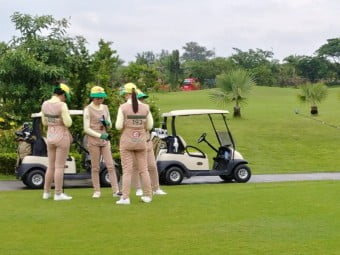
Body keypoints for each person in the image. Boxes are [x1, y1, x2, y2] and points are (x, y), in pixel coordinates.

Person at [115, 83, 153, 205]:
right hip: (141, 141)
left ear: (127, 94)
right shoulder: (146, 107)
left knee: (127, 170)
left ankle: (125, 197)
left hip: (127, 141)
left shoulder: (123, 107)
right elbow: (150, 125)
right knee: (144, 169)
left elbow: (118, 126)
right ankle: (148, 195)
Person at [83, 86, 121, 198]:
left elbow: (109, 122)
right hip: (93, 139)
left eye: (101, 98)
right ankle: (97, 190)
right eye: (98, 98)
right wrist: (100, 135)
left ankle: (116, 190)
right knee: (95, 167)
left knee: (110, 165)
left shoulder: (105, 107)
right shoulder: (88, 109)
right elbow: (86, 128)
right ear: (93, 98)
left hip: (105, 140)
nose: (100, 100)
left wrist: (107, 124)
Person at [41, 83, 73, 201]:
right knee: (59, 166)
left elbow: (44, 122)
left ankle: (46, 192)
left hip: (50, 135)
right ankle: (58, 193)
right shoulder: (62, 105)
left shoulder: (44, 104)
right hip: (61, 136)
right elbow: (68, 123)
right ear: (63, 94)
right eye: (66, 96)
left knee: (51, 165)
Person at [132, 89, 167, 196]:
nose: (142, 101)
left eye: (142, 99)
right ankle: (138, 188)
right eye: (140, 99)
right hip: (135, 142)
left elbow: (149, 125)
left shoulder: (146, 110)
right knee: (136, 167)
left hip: (147, 141)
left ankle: (156, 188)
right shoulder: (130, 112)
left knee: (152, 165)